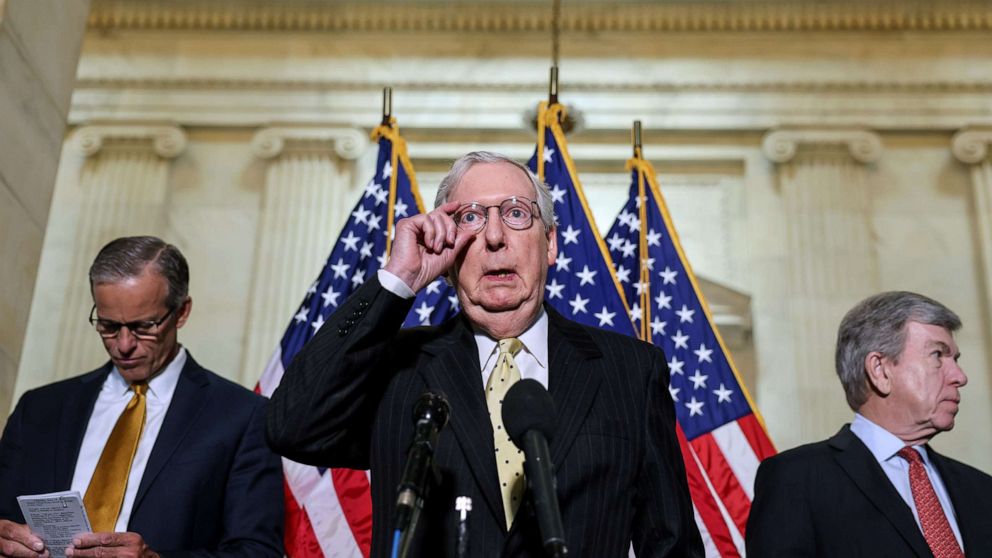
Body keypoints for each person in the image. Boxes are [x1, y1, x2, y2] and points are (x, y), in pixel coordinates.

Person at [267, 151, 702, 557]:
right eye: (471, 218)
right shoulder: (397, 369)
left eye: (516, 214)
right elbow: (292, 425)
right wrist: (397, 280)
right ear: (447, 246)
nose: (494, 236)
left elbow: (670, 543)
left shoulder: (629, 370)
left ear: (549, 243)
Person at [0, 236, 284, 558]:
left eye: (143, 326)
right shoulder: (38, 410)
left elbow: (257, 553)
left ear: (182, 312)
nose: (123, 345)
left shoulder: (242, 418)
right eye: (108, 326)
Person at [746, 291, 992, 557]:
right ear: (880, 370)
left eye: (955, 359)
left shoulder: (982, 490)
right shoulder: (797, 479)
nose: (960, 376)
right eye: (937, 356)